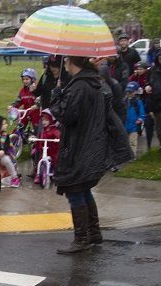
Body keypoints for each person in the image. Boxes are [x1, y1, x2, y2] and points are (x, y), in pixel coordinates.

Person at [50, 56, 131, 254]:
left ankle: (82, 239)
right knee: (84, 189)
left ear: (72, 63)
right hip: (92, 144)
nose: (65, 63)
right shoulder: (94, 82)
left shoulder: (80, 86)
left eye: (67, 60)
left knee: (75, 189)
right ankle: (94, 233)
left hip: (81, 146)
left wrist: (56, 96)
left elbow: (67, 115)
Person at [32, 109, 61, 186]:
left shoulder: (54, 130)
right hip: (44, 150)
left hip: (53, 151)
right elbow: (39, 140)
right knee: (38, 159)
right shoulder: (43, 131)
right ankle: (38, 174)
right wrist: (36, 145)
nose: (44, 122)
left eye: (46, 120)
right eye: (43, 120)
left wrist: (57, 139)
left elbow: (58, 136)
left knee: (56, 161)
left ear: (51, 120)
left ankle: (56, 173)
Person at [9, 67, 40, 134]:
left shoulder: (37, 90)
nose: (24, 81)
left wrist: (37, 105)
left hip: (36, 112)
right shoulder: (22, 91)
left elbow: (41, 100)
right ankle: (14, 138)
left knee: (38, 129)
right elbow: (18, 101)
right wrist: (12, 106)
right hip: (26, 111)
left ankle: (38, 139)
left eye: (27, 79)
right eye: (23, 79)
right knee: (19, 126)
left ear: (32, 79)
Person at [123, 81, 146, 156]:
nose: (129, 93)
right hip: (124, 124)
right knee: (125, 141)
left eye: (131, 92)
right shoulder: (124, 101)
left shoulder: (137, 102)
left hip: (134, 126)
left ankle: (132, 155)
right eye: (128, 92)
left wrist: (140, 119)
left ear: (135, 92)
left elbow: (142, 112)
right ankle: (126, 155)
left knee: (133, 141)